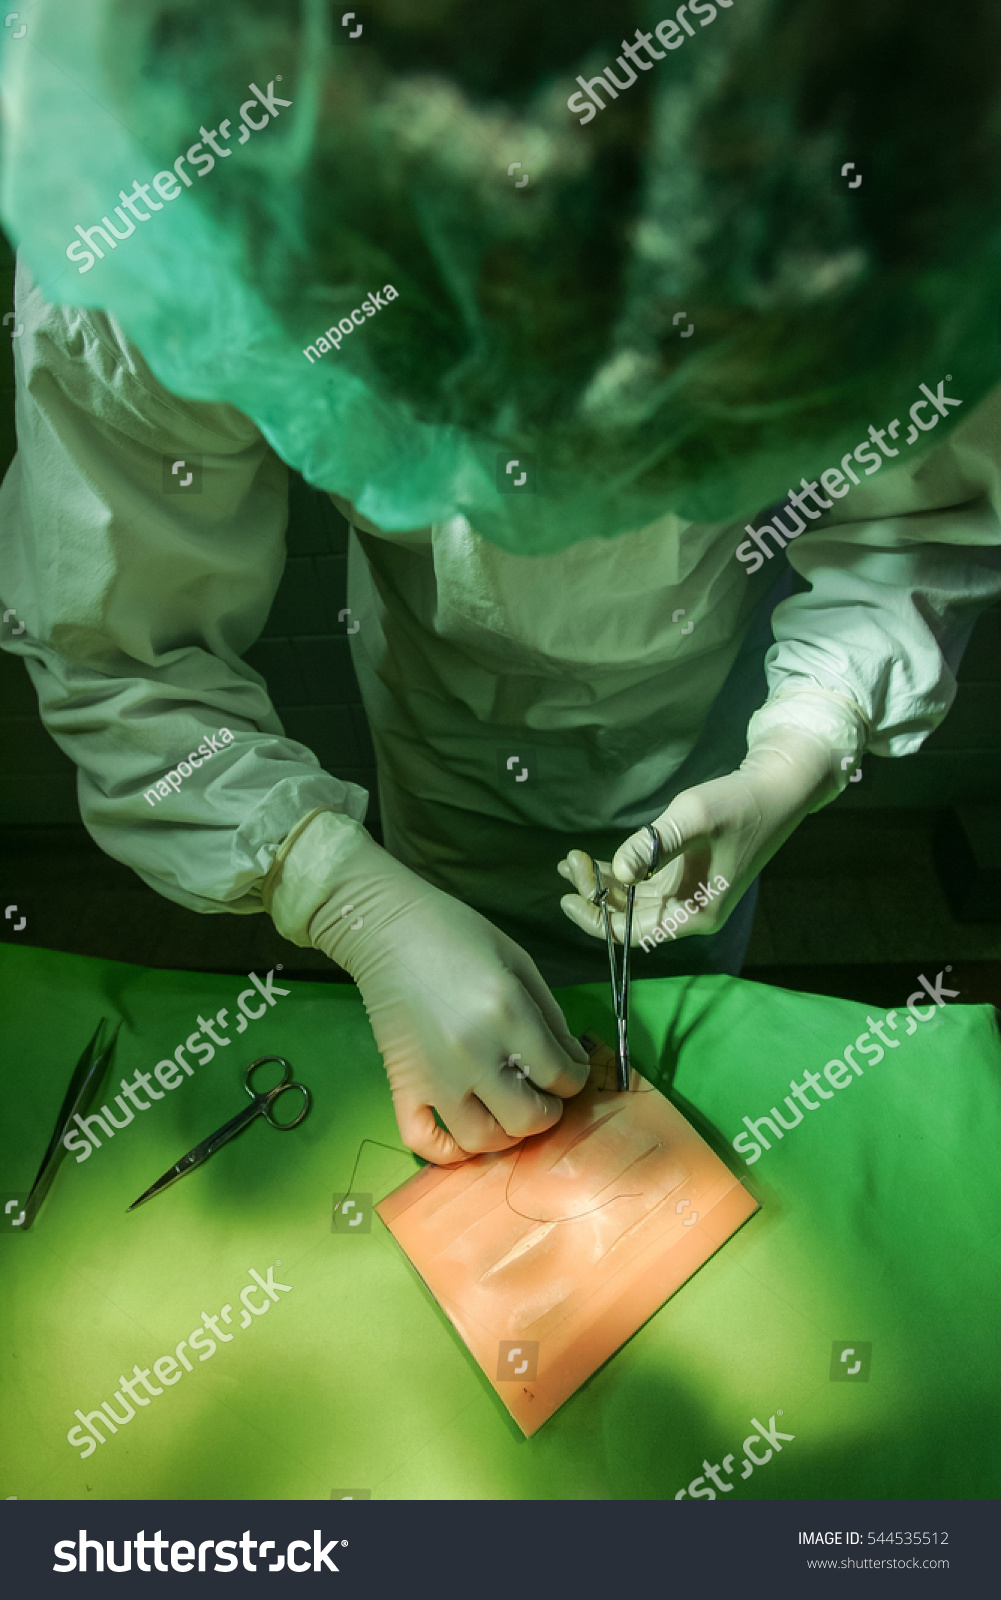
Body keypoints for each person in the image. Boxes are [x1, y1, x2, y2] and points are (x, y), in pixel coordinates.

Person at [3, 0, 1001, 1164]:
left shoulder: (895, 152)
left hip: (705, 689)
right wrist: (341, 891)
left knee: (685, 1014)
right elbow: (117, 648)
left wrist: (797, 744)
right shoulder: (182, 187)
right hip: (438, 719)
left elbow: (924, 505)